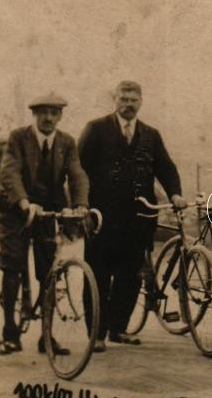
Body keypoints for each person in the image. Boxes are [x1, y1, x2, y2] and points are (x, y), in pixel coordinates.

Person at [78, 81, 186, 352]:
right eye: (123, 99)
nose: (128, 104)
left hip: (139, 217)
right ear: (114, 99)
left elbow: (166, 168)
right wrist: (82, 207)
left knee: (130, 274)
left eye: (133, 100)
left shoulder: (151, 134)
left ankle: (118, 329)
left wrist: (175, 194)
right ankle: (96, 334)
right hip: (102, 216)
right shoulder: (96, 128)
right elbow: (79, 170)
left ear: (141, 102)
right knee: (99, 274)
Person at [0, 93, 89, 355]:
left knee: (49, 270)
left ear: (60, 116)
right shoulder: (18, 137)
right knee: (13, 263)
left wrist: (81, 204)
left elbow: (77, 174)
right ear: (34, 115)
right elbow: (9, 172)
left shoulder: (66, 142)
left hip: (47, 211)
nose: (48, 117)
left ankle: (46, 336)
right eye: (43, 112)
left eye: (54, 113)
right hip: (15, 210)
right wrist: (24, 202)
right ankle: (10, 332)